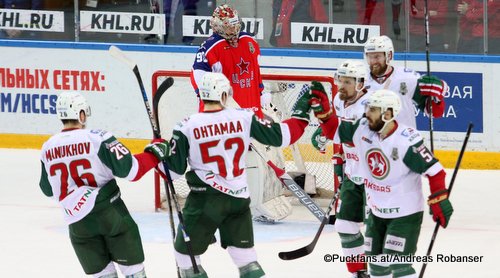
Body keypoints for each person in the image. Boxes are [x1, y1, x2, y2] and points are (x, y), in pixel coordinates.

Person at [147, 72, 335, 278]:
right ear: (224, 95)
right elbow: (283, 136)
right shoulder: (243, 117)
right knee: (246, 260)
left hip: (204, 202)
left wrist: (158, 151)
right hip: (239, 200)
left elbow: (171, 173)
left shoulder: (186, 126)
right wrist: (301, 111)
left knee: (185, 258)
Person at [316, 88, 453, 277]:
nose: (366, 113)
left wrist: (439, 200)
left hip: (405, 214)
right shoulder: (362, 128)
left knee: (398, 264)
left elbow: (435, 171)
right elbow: (334, 130)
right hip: (376, 211)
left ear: (387, 114)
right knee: (377, 267)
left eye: (372, 109)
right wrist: (322, 113)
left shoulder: (406, 141)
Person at [39, 92, 161, 278]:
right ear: (80, 114)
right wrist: (154, 153)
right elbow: (131, 171)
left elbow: (47, 189)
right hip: (110, 216)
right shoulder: (98, 138)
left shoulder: (47, 147)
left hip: (78, 226)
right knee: (134, 273)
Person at [190, 4, 293, 222]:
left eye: (235, 25)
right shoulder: (209, 48)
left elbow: (255, 70)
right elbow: (199, 82)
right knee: (228, 161)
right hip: (224, 118)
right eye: (228, 26)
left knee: (252, 159)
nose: (232, 30)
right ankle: (221, 201)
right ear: (217, 26)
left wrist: (261, 92)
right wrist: (219, 106)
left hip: (250, 112)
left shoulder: (249, 41)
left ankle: (252, 202)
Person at [312, 60, 372, 278]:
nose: (341, 86)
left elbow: (350, 134)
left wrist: (328, 128)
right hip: (354, 174)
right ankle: (358, 273)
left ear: (361, 83)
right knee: (345, 226)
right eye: (340, 80)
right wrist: (338, 151)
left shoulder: (371, 105)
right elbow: (338, 129)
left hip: (376, 180)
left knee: (377, 232)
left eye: (348, 81)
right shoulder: (338, 100)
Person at [364, 35, 448, 129]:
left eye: (377, 57)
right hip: (371, 141)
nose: (373, 61)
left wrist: (436, 99)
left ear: (389, 55)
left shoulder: (408, 78)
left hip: (404, 140)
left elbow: (435, 113)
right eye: (369, 57)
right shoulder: (361, 81)